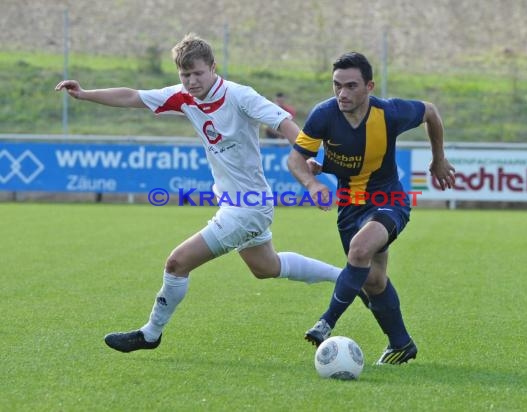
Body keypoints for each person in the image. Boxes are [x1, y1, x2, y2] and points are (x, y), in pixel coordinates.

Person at [55, 33, 343, 353]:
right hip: (237, 204)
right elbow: (132, 96)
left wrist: (310, 159)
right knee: (266, 268)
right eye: (185, 75)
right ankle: (346, 278)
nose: (191, 81)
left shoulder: (239, 95)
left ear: (213, 68)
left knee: (177, 263)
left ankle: (151, 333)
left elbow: (285, 124)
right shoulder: (182, 96)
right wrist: (84, 94)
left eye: (197, 73)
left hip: (247, 207)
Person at [287, 52, 455, 365]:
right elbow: (295, 159)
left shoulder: (389, 112)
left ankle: (326, 321)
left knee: (360, 251)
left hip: (388, 201)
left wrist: (439, 158)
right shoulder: (324, 115)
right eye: (337, 85)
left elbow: (430, 112)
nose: (342, 93)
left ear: (369, 86)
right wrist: (313, 181)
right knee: (373, 281)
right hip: (350, 208)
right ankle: (401, 344)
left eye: (351, 86)